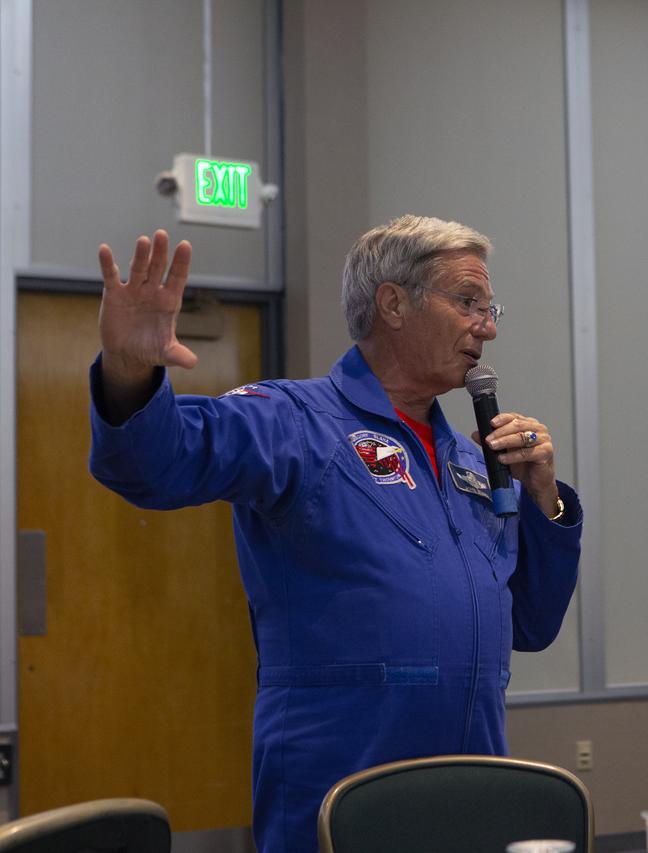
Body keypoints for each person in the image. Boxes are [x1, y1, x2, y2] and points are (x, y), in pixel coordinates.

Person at [88, 216, 582, 853]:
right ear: (393, 303)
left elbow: (531, 625)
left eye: (490, 308)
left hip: (471, 793)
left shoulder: (469, 460)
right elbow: (153, 465)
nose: (486, 327)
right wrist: (129, 370)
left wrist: (544, 500)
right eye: (467, 302)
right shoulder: (295, 420)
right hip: (341, 799)